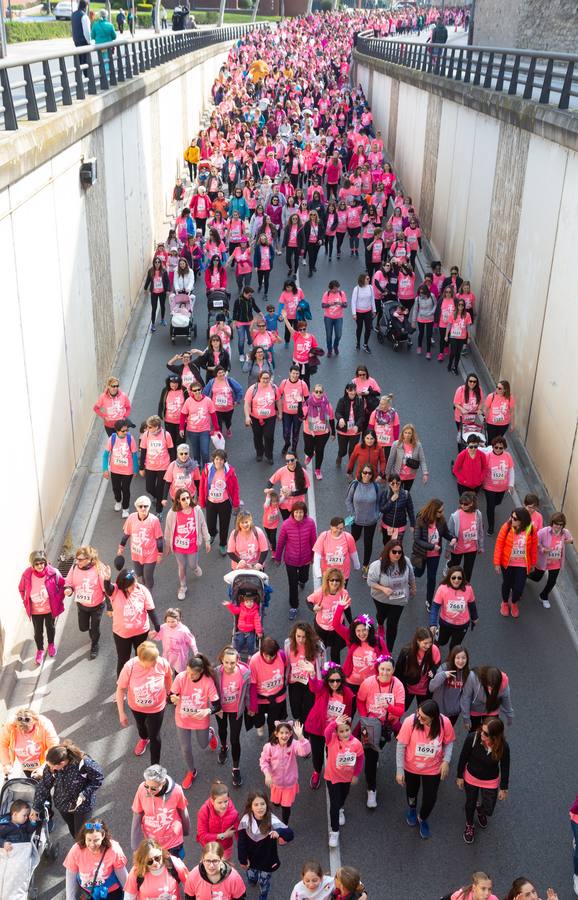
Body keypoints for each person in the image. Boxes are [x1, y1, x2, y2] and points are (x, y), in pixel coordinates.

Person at [395, 699, 455, 839]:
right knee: (411, 792)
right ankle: (412, 808)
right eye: (418, 713)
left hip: (433, 769)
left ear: (433, 717)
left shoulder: (444, 722)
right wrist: (399, 769)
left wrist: (446, 761)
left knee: (430, 799)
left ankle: (422, 817)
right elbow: (401, 745)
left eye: (423, 717)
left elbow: (449, 743)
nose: (419, 718)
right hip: (411, 767)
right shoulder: (410, 721)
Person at [357, 655, 405, 809]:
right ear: (378, 669)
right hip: (369, 724)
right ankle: (371, 789)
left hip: (387, 725)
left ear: (393, 670)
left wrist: (388, 707)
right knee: (370, 755)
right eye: (382, 669)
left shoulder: (398, 685)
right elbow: (360, 700)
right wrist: (365, 717)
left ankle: (375, 755)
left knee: (379, 747)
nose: (385, 672)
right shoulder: (368, 682)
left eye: (388, 670)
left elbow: (400, 710)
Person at [33, 740, 104, 838]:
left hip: (82, 806)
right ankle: (82, 845)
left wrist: (84, 794)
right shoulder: (52, 766)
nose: (49, 769)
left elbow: (98, 779)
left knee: (82, 833)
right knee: (74, 831)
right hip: (63, 805)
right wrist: (36, 807)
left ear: (61, 763)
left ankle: (98, 832)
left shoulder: (84, 762)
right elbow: (44, 785)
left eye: (52, 766)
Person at [117, 640, 172, 764]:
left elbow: (168, 676)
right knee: (141, 727)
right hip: (136, 707)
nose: (154, 664)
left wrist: (170, 693)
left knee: (155, 736)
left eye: (155, 660)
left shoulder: (161, 662)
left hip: (157, 708)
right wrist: (121, 713)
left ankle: (155, 767)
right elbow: (120, 689)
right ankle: (143, 739)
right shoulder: (130, 667)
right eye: (151, 663)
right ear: (141, 659)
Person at [456, 716, 510, 844]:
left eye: (486, 733)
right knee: (470, 804)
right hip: (471, 777)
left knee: (489, 808)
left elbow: (505, 766)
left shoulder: (503, 747)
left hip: (490, 780)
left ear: (495, 737)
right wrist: (459, 776)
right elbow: (463, 757)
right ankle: (469, 825)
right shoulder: (473, 738)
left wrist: (503, 787)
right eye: (481, 730)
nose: (481, 734)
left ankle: (480, 809)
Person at [170, 653, 220, 789]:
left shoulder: (207, 681)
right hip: (183, 718)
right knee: (185, 748)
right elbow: (170, 696)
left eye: (193, 674)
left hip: (200, 719)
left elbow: (217, 704)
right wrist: (173, 699)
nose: (189, 676)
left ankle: (210, 734)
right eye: (188, 672)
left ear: (201, 672)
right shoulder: (181, 677)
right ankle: (192, 771)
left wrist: (207, 711)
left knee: (203, 744)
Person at [237, 790, 294, 900]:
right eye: (256, 804)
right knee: (251, 877)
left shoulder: (272, 820)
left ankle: (263, 896)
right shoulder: (245, 821)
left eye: (262, 804)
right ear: (251, 806)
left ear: (267, 805)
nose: (260, 808)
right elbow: (241, 842)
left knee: (264, 882)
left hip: (267, 861)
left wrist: (280, 833)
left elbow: (290, 834)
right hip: (251, 860)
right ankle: (253, 880)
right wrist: (242, 860)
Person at [105, 568, 160, 675]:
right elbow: (108, 589)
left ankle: (138, 677)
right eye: (131, 587)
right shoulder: (116, 591)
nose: (134, 587)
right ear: (123, 587)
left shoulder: (142, 589)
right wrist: (107, 580)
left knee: (141, 657)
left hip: (141, 631)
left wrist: (157, 626)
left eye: (135, 584)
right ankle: (121, 685)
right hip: (122, 634)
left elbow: (150, 609)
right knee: (123, 659)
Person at [18, 550, 65, 665]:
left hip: (49, 609)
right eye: (37, 564)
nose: (40, 566)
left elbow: (63, 585)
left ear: (45, 562)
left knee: (50, 628)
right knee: (38, 632)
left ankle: (51, 645)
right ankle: (40, 650)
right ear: (32, 564)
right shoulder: (26, 574)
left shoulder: (53, 572)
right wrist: (26, 603)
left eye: (42, 563)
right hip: (35, 611)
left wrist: (57, 599)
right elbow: (21, 589)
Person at [131, 765, 189, 858]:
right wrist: (135, 846)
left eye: (153, 788)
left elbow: (183, 810)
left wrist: (186, 830)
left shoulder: (177, 791)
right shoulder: (142, 789)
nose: (149, 791)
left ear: (163, 783)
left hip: (173, 842)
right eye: (147, 786)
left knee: (174, 870)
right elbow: (137, 814)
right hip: (152, 844)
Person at [367, 540, 416, 650]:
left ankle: (388, 651)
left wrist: (413, 587)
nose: (397, 555)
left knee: (392, 624)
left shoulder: (406, 562)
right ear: (388, 552)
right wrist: (383, 588)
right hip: (381, 598)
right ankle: (380, 625)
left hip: (399, 599)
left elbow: (411, 576)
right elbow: (370, 582)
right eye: (394, 552)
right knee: (381, 615)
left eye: (400, 552)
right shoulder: (377, 565)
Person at [259, 720, 311, 824]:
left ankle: (284, 826)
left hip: (289, 784)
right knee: (276, 803)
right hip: (276, 783)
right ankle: (277, 803)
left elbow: (305, 751)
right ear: (276, 734)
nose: (284, 735)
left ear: (291, 733)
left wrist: (301, 737)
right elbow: (263, 761)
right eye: (281, 733)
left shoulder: (294, 745)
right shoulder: (269, 747)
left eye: (287, 732)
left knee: (286, 808)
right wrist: (267, 774)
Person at [164, 487, 211, 600]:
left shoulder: (197, 510)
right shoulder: (173, 512)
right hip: (178, 545)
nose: (186, 501)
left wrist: (207, 540)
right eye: (183, 499)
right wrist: (167, 545)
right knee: (182, 566)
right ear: (178, 500)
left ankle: (195, 568)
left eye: (188, 498)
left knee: (192, 564)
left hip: (192, 545)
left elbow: (203, 525)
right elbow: (168, 528)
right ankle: (183, 586)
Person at [63, 818, 128, 900]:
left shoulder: (113, 849)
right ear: (84, 837)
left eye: (96, 840)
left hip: (111, 891)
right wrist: (70, 898)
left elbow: (121, 873)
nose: (92, 845)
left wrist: (129, 893)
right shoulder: (76, 850)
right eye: (89, 840)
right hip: (88, 892)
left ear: (103, 836)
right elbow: (71, 874)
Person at [324, 715, 363, 848]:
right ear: (336, 732)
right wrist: (334, 723)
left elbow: (360, 759)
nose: (344, 733)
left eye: (347, 730)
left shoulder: (356, 743)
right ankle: (334, 832)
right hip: (332, 777)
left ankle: (341, 808)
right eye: (341, 731)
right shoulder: (332, 740)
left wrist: (356, 775)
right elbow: (326, 732)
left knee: (343, 796)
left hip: (347, 777)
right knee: (334, 803)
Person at [64, 544, 110, 660]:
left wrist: (110, 607)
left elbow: (107, 589)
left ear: (89, 559)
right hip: (82, 604)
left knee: (95, 628)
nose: (77, 561)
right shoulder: (75, 567)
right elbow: (69, 582)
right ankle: (92, 631)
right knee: (83, 627)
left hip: (97, 606)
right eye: (77, 558)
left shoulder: (98, 568)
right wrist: (68, 589)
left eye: (80, 559)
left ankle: (95, 644)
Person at [275, 501, 317, 619]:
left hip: (305, 558)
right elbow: (281, 542)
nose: (299, 514)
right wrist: (278, 558)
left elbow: (314, 541)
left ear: (305, 513)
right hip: (291, 560)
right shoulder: (286, 525)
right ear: (293, 513)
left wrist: (314, 557)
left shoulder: (310, 523)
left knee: (304, 578)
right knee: (292, 584)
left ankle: (302, 581)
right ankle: (294, 606)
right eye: (296, 512)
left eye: (301, 512)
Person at [411, 498, 456, 610]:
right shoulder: (421, 520)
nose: (442, 513)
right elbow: (417, 539)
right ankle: (409, 577)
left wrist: (453, 538)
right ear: (433, 511)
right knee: (419, 573)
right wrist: (432, 546)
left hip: (435, 555)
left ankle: (429, 601)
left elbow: (445, 533)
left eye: (442, 510)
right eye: (440, 511)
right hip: (421, 553)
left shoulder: (441, 521)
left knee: (431, 578)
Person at [494, 507, 537, 618]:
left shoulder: (531, 529)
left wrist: (533, 563)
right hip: (507, 563)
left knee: (518, 587)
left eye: (515, 518)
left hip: (522, 564)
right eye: (511, 516)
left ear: (522, 520)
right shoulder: (506, 527)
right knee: (507, 584)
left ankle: (513, 603)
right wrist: (497, 563)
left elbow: (533, 548)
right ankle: (504, 603)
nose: (511, 519)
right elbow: (499, 545)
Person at [198, 449, 240, 556]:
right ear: (213, 459)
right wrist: (201, 501)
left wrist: (236, 504)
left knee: (224, 525)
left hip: (224, 503)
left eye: (221, 460)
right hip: (211, 502)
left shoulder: (230, 471)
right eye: (217, 459)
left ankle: (223, 544)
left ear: (224, 461)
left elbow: (235, 488)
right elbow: (202, 486)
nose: (219, 462)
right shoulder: (207, 469)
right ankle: (212, 533)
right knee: (210, 524)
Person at [529, 512, 574, 608]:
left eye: (560, 525)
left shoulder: (564, 532)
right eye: (556, 524)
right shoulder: (544, 531)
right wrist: (542, 549)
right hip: (543, 560)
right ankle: (524, 575)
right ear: (552, 523)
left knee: (552, 581)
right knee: (537, 578)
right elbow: (535, 540)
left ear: (563, 525)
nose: (558, 527)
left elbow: (571, 539)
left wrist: (565, 541)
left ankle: (543, 596)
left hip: (555, 561)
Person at [307, 569, 351, 664]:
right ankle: (319, 671)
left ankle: (336, 673)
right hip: (322, 628)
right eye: (332, 580)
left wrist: (351, 623)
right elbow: (308, 600)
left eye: (337, 580)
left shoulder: (343, 593)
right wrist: (314, 608)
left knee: (335, 652)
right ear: (327, 581)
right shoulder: (320, 592)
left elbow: (347, 608)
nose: (334, 582)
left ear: (341, 581)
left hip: (337, 628)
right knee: (320, 651)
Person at [0, 707, 58, 779]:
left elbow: (53, 747)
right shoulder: (10, 726)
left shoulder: (44, 724)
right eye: (21, 730)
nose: (24, 732)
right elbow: (3, 744)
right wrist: (6, 764)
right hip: (27, 766)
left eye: (27, 730)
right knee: (36, 787)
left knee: (53, 784)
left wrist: (43, 767)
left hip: (46, 762)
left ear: (34, 722)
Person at [345, 463, 381, 575]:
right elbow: (348, 500)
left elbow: (379, 502)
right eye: (364, 472)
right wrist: (353, 513)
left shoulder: (376, 486)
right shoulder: (355, 485)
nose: (367, 475)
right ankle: (345, 557)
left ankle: (365, 565)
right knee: (353, 539)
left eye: (369, 473)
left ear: (372, 475)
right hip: (356, 520)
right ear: (361, 473)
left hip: (371, 521)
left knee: (368, 543)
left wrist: (377, 515)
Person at [429, 567, 479, 648]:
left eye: (459, 578)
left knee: (454, 647)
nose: (456, 580)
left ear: (463, 578)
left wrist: (474, 617)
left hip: (462, 625)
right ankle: (435, 654)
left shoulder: (468, 589)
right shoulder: (442, 589)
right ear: (449, 577)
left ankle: (451, 660)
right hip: (445, 623)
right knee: (441, 642)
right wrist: (433, 624)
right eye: (453, 577)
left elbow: (471, 604)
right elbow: (435, 607)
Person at [248, 637, 287, 738]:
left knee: (273, 724)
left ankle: (271, 744)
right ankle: (260, 725)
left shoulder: (282, 655)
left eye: (272, 656)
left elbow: (287, 668)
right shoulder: (254, 661)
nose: (269, 659)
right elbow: (252, 685)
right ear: (261, 651)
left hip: (276, 698)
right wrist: (253, 705)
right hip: (261, 698)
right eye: (266, 655)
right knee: (259, 720)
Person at [395, 626, 441, 710]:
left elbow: (437, 664)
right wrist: (398, 688)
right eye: (425, 643)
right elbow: (398, 671)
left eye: (430, 642)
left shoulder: (434, 650)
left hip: (425, 691)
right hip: (408, 688)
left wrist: (433, 670)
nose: (428, 646)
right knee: (401, 709)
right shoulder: (406, 651)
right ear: (418, 641)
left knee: (423, 712)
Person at [123, 839, 188, 898]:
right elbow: (129, 896)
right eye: (149, 861)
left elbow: (189, 886)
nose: (155, 863)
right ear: (143, 861)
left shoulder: (175, 864)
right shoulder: (137, 872)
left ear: (161, 851)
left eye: (157, 858)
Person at [460, 666, 514, 731]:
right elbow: (466, 697)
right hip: (474, 710)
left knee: (491, 733)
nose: (491, 691)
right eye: (490, 687)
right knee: (474, 733)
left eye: (494, 688)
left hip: (491, 709)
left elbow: (506, 698)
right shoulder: (473, 677)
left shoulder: (503, 682)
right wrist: (466, 719)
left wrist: (509, 715)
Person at [103, 419, 139, 516]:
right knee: (116, 488)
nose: (126, 432)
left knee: (125, 489)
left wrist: (136, 469)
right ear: (117, 431)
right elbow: (105, 455)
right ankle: (118, 501)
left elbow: (135, 455)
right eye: (123, 431)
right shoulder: (112, 439)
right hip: (115, 470)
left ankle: (125, 508)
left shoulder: (130, 439)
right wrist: (105, 469)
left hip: (128, 470)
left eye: (127, 430)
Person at [196, 782, 240, 860]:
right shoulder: (204, 811)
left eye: (226, 801)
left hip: (226, 847)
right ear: (212, 801)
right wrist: (223, 835)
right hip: (210, 847)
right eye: (219, 802)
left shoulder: (233, 812)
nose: (223, 805)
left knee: (225, 865)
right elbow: (202, 835)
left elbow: (238, 833)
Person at [180, 381, 218, 468]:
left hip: (204, 430)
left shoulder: (208, 401)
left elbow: (213, 415)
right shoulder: (188, 401)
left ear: (201, 389)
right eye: (194, 390)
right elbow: (183, 415)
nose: (197, 392)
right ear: (191, 392)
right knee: (196, 454)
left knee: (205, 452)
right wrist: (181, 428)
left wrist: (217, 428)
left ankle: (206, 471)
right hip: (192, 431)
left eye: (199, 390)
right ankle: (197, 472)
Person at [447, 492, 485, 582]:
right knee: (455, 568)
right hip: (458, 547)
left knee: (468, 570)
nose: (463, 506)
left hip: (472, 548)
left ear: (472, 503)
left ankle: (466, 587)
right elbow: (449, 534)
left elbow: (480, 531)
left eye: (466, 504)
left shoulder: (478, 514)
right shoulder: (455, 516)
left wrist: (481, 546)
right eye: (461, 503)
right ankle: (448, 566)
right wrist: (447, 550)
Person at [244, 371, 280, 463]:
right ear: (260, 378)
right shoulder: (253, 388)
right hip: (255, 418)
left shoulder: (274, 387)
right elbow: (247, 404)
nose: (265, 380)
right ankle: (259, 453)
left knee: (269, 436)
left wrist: (280, 413)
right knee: (257, 436)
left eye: (267, 378)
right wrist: (247, 417)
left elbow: (278, 401)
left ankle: (269, 455)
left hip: (270, 417)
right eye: (263, 378)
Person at [429, 644, 470, 725]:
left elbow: (466, 696)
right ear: (453, 658)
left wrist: (466, 718)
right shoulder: (444, 668)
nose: (461, 661)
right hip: (437, 711)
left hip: (453, 714)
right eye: (458, 658)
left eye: (463, 658)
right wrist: (443, 675)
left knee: (445, 736)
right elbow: (431, 687)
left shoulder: (467, 674)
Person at [482, 436, 515, 534]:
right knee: (490, 506)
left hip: (502, 487)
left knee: (498, 502)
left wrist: (511, 484)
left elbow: (511, 470)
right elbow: (483, 470)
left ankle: (492, 507)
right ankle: (491, 527)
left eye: (501, 448)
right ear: (493, 447)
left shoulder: (507, 456)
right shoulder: (487, 456)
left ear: (504, 448)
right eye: (496, 447)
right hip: (489, 486)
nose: (498, 449)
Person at [150, 607, 197, 675]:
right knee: (167, 672)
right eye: (168, 621)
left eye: (173, 621)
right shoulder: (164, 627)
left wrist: (196, 652)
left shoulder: (183, 630)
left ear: (178, 620)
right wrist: (152, 636)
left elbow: (191, 641)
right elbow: (158, 637)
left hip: (180, 657)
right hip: (168, 655)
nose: (170, 624)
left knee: (179, 674)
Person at [302, 384, 336, 479]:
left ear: (323, 393)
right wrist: (299, 407)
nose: (318, 393)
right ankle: (310, 454)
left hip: (323, 432)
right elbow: (302, 416)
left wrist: (333, 433)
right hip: (309, 431)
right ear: (313, 392)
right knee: (307, 449)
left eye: (320, 392)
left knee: (320, 450)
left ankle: (317, 470)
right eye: (316, 391)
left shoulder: (327, 404)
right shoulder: (308, 403)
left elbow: (332, 419)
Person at [385, 423, 428, 491]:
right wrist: (387, 473)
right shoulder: (396, 444)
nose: (407, 435)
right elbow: (391, 459)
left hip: (410, 477)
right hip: (397, 476)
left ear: (412, 435)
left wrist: (425, 474)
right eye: (405, 433)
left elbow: (422, 460)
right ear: (402, 433)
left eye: (409, 433)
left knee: (405, 495)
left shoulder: (418, 445)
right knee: (395, 494)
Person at [267, 452, 310, 520]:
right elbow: (270, 482)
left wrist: (291, 493)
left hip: (298, 505)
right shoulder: (282, 471)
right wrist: (268, 489)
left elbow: (305, 490)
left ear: (296, 459)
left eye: (292, 460)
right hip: (284, 504)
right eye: (287, 461)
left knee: (298, 523)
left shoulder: (303, 472)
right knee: (287, 522)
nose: (290, 462)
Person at [278, 366, 310, 455]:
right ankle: (287, 443)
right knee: (286, 433)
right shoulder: (284, 383)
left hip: (298, 413)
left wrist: (306, 411)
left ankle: (294, 449)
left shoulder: (302, 384)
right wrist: (278, 410)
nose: (295, 375)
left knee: (296, 432)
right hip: (286, 412)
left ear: (299, 374)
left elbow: (308, 399)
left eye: (297, 373)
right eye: (293, 373)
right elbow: (278, 396)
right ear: (289, 373)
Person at [379, 474, 415, 544]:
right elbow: (382, 509)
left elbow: (410, 510)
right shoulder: (386, 493)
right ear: (389, 484)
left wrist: (412, 525)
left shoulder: (406, 494)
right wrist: (391, 500)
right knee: (386, 545)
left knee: (397, 546)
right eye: (392, 483)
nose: (395, 485)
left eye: (397, 483)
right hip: (387, 525)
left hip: (400, 526)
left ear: (400, 483)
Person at [335, 383, 365, 465]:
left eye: (355, 390)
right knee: (342, 449)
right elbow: (337, 412)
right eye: (351, 390)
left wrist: (357, 425)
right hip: (343, 430)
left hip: (355, 431)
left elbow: (362, 416)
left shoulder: (359, 401)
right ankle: (340, 455)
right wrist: (340, 419)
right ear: (347, 390)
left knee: (352, 450)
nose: (353, 392)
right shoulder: (342, 400)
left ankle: (350, 466)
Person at [322, 280, 348, 357]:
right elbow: (323, 305)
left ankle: (335, 346)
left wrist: (341, 303)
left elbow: (346, 305)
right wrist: (329, 304)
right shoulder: (326, 294)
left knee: (338, 335)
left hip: (338, 317)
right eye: (335, 289)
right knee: (329, 335)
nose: (336, 290)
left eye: (337, 288)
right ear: (331, 288)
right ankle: (329, 350)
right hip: (328, 318)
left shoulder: (341, 293)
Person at [351, 272, 375, 353]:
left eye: (369, 278)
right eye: (367, 279)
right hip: (359, 312)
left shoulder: (371, 288)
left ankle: (365, 344)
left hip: (368, 311)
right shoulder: (356, 289)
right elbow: (353, 302)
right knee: (359, 328)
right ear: (362, 279)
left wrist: (374, 310)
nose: (369, 280)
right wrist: (354, 313)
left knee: (368, 328)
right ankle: (358, 342)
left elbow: (372, 299)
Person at [144, 257, 170, 332]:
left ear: (160, 263)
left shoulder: (164, 271)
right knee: (154, 308)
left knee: (162, 306)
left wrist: (168, 290)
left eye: (159, 262)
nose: (157, 264)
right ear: (154, 263)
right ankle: (153, 324)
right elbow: (148, 280)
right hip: (154, 293)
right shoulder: (151, 271)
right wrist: (145, 288)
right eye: (156, 262)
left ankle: (162, 319)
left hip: (162, 292)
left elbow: (167, 281)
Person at [71, 0, 91, 73]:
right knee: (85, 61)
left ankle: (80, 78)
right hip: (83, 41)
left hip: (76, 40)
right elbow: (87, 31)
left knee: (79, 61)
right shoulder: (84, 16)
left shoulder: (73, 14)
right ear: (86, 7)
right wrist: (89, 42)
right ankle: (88, 77)